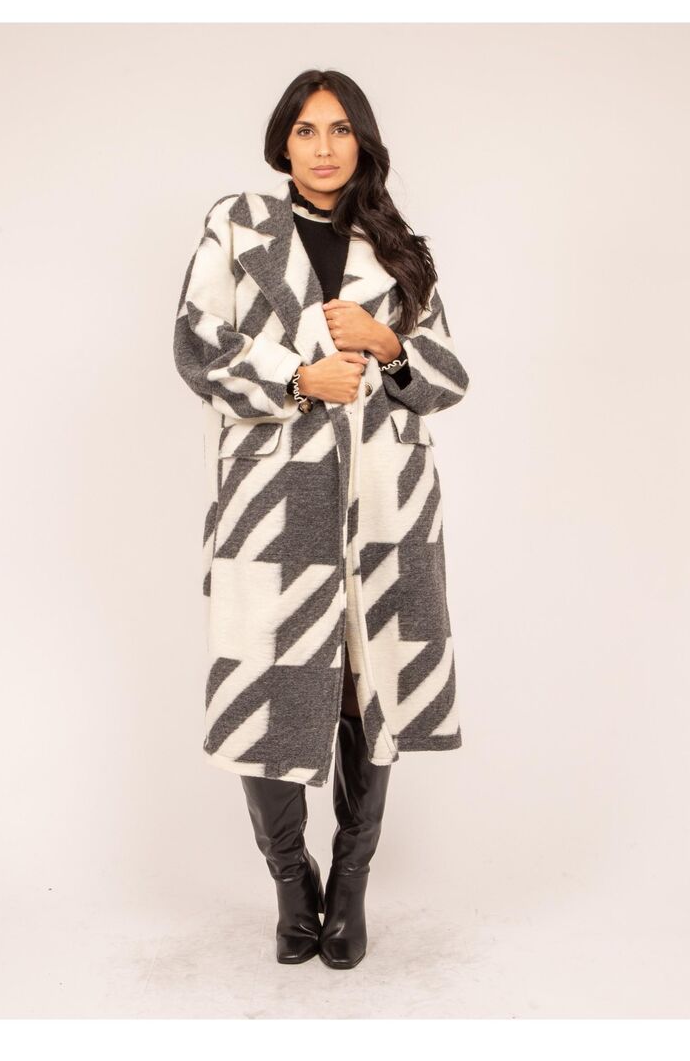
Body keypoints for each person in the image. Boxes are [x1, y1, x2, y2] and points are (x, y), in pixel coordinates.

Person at [173, 69, 470, 970]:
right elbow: (195, 345)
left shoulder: (401, 249)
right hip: (273, 500)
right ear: (283, 143)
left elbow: (449, 378)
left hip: (384, 501)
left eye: (340, 129)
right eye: (306, 130)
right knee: (267, 680)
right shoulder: (240, 225)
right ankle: (289, 884)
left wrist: (389, 346)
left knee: (366, 685)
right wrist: (299, 379)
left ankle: (350, 885)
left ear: (362, 141)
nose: (324, 146)